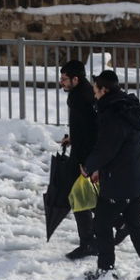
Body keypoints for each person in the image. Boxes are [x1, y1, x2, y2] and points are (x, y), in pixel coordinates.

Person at [82, 70, 140, 280]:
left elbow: (106, 149)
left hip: (120, 181)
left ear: (104, 90)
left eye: (95, 90)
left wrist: (89, 166)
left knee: (101, 224)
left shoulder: (114, 115)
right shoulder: (128, 108)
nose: (94, 94)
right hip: (135, 178)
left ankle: (106, 270)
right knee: (134, 223)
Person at [58, 59, 98, 261]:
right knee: (85, 196)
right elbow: (84, 127)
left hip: (85, 156)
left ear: (76, 79)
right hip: (86, 153)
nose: (61, 82)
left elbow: (91, 130)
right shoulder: (82, 93)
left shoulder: (81, 97)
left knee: (79, 197)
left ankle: (89, 242)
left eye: (64, 79)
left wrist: (85, 162)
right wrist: (72, 137)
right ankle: (118, 223)